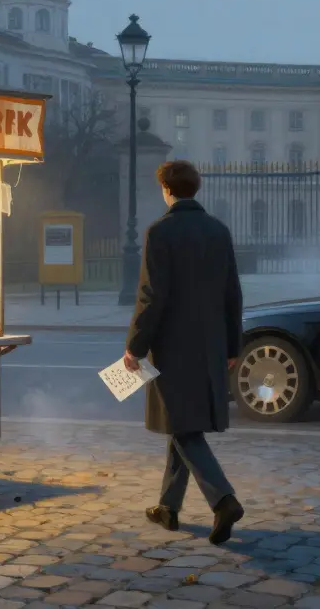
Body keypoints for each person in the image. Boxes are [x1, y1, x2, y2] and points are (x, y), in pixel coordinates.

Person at [123, 160, 245, 545]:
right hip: (210, 344)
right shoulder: (218, 230)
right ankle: (167, 507)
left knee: (182, 425)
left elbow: (152, 296)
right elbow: (232, 294)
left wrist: (135, 346)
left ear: (166, 190)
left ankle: (223, 499)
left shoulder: (161, 231)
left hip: (172, 346)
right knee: (183, 422)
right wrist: (232, 345)